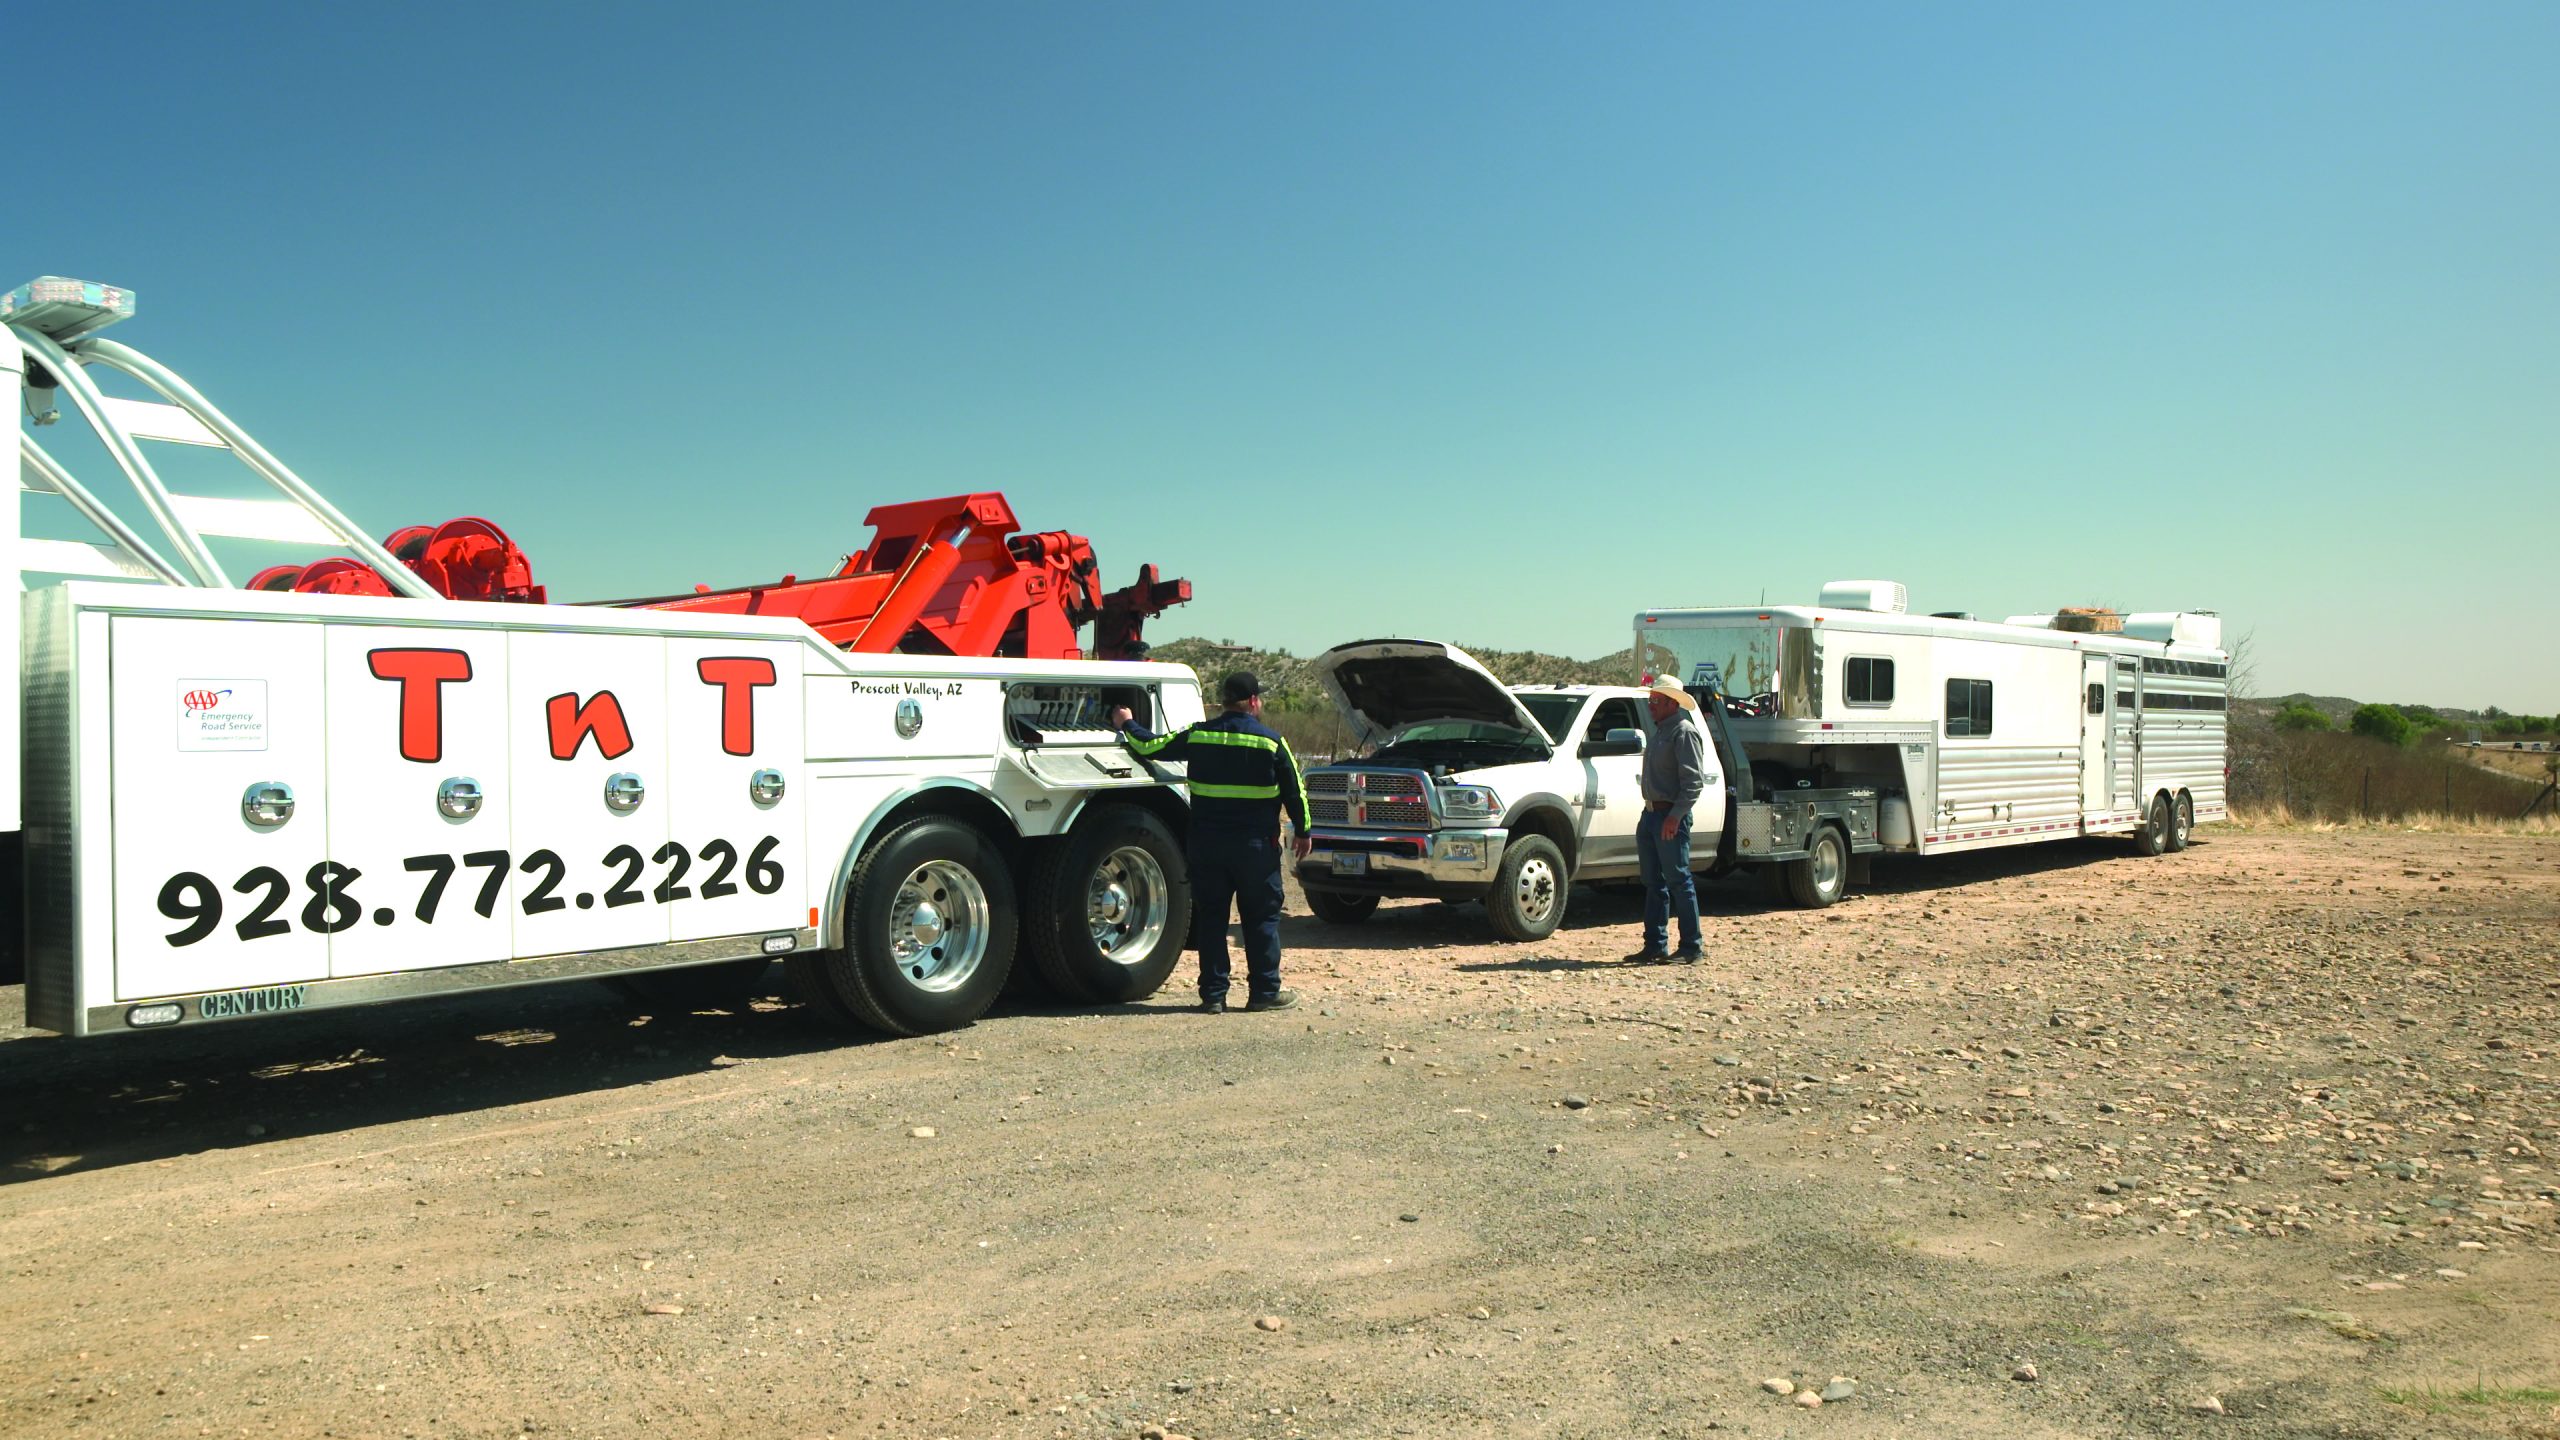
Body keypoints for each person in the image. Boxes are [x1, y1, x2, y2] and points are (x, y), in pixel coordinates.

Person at [1110, 672, 1313, 1012]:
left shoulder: (1200, 735)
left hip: (1207, 847)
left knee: (1212, 918)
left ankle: (1214, 996)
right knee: (1261, 919)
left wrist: (1127, 723)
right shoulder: (1272, 742)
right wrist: (1304, 831)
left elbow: (1151, 746)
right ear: (1253, 701)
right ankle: (1264, 993)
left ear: (1225, 701)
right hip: (1255, 850)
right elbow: (1297, 792)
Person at [1626, 675, 1707, 964]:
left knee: (1678, 880)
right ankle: (1655, 945)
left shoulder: (1683, 732)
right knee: (1653, 882)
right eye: (1650, 700)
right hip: (1650, 814)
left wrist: (1675, 817)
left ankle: (1691, 946)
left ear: (1673, 703)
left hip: (1668, 815)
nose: (1651, 706)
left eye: (1656, 701)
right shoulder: (1661, 731)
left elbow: (1693, 782)